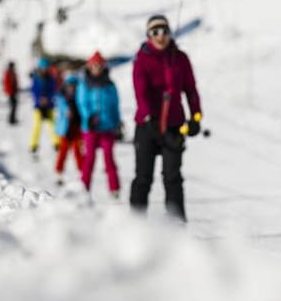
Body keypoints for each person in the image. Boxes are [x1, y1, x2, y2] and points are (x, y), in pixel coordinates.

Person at [129, 15, 202, 221]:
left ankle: (177, 227)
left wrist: (196, 116)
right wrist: (150, 119)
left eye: (164, 31)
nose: (160, 36)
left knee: (172, 178)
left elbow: (191, 90)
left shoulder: (180, 58)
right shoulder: (141, 59)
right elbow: (140, 92)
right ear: (148, 35)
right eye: (155, 32)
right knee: (143, 178)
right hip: (147, 126)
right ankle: (135, 226)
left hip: (174, 126)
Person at [77, 52, 122, 198]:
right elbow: (82, 103)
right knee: (89, 158)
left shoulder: (110, 85)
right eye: (94, 65)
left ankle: (114, 189)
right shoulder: (84, 84)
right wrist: (88, 117)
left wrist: (117, 123)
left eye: (99, 65)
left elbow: (115, 105)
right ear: (89, 67)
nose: (96, 68)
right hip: (90, 128)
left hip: (107, 127)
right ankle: (84, 188)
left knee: (109, 158)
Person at [54, 75, 84, 185]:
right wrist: (67, 110)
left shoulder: (80, 97)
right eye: (69, 86)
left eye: (74, 86)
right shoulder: (61, 98)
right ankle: (59, 173)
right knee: (63, 152)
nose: (72, 88)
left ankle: (82, 173)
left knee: (78, 152)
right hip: (65, 130)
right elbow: (61, 107)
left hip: (77, 129)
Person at [29, 57, 60, 156]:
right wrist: (39, 99)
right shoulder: (36, 78)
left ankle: (56, 142)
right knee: (37, 125)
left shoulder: (51, 78)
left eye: (46, 68)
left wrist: (48, 98)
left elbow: (53, 90)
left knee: (52, 124)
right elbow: (33, 91)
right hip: (38, 107)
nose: (45, 69)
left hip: (49, 106)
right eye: (43, 67)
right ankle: (34, 144)